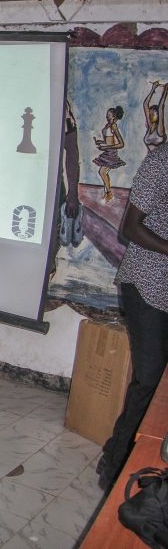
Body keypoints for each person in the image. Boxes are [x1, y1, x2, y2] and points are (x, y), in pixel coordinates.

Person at [96, 140, 168, 490]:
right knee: (150, 380)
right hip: (147, 283)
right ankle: (114, 467)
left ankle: (144, 459)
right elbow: (130, 228)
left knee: (162, 386)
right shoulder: (161, 162)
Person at [93, 105, 126, 202]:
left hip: (111, 154)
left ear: (114, 117)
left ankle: (109, 193)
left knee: (102, 172)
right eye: (107, 114)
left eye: (109, 115)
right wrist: (100, 143)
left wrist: (106, 147)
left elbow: (121, 144)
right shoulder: (107, 126)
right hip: (107, 152)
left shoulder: (114, 126)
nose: (107, 116)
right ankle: (108, 193)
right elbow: (108, 141)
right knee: (102, 172)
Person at [143, 80, 166, 150]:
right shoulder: (150, 126)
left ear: (158, 115)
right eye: (150, 114)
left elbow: (161, 107)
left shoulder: (160, 129)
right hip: (149, 159)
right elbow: (145, 104)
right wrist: (153, 88)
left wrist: (166, 89)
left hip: (160, 160)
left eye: (153, 114)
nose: (150, 116)